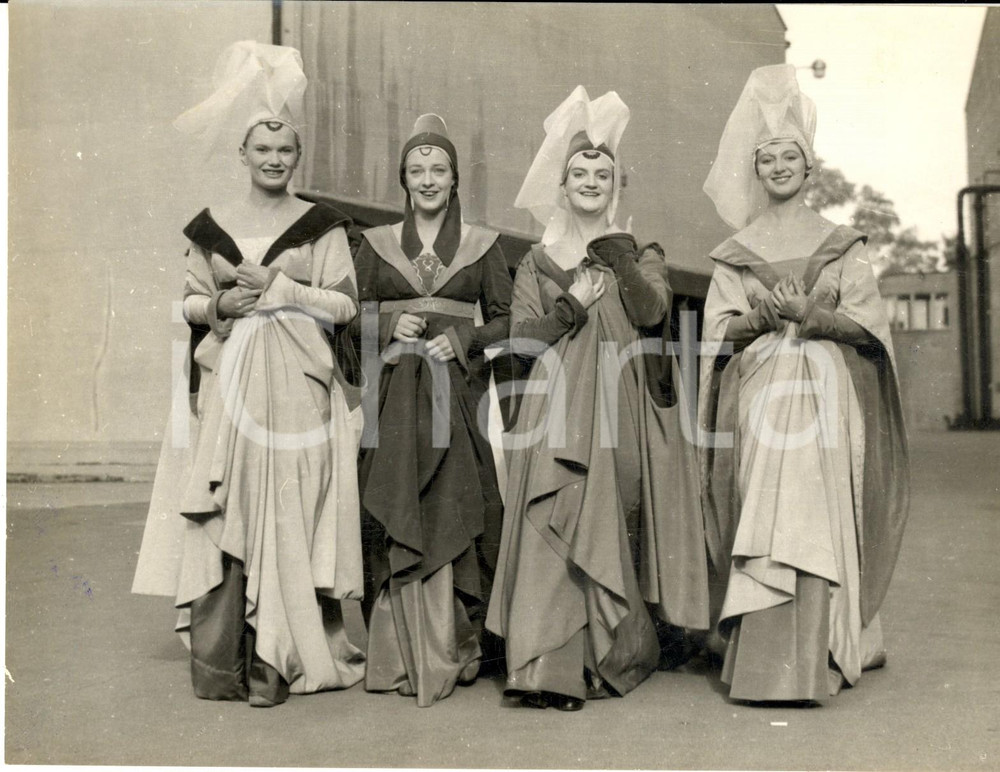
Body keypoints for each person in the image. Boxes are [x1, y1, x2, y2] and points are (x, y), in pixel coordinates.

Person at [132, 42, 365, 707]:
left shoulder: (320, 227)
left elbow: (346, 304)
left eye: (286, 150)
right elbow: (186, 301)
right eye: (263, 149)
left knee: (288, 504)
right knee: (231, 499)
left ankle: (280, 658)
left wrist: (283, 289)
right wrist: (219, 304)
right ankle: (229, 656)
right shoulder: (212, 228)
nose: (274, 159)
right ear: (242, 154)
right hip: (234, 384)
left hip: (297, 388)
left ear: (298, 157)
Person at [486, 86, 710, 712]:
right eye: (579, 173)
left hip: (618, 407)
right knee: (548, 519)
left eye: (602, 174)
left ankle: (600, 658)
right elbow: (522, 339)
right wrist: (571, 306)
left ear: (618, 185)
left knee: (605, 520)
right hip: (554, 406)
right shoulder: (534, 260)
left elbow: (652, 310)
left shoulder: (642, 253)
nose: (590, 181)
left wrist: (623, 264)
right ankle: (543, 670)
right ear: (561, 185)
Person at [699, 64, 910, 703]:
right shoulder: (737, 250)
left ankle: (825, 644)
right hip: (761, 395)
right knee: (766, 493)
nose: (780, 167)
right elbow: (717, 332)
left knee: (817, 501)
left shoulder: (842, 244)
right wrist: (763, 315)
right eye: (768, 158)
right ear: (755, 169)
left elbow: (870, 324)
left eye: (791, 156)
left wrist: (814, 317)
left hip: (826, 393)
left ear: (808, 166)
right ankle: (762, 655)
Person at [352, 114, 513, 707]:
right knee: (395, 500)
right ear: (403, 178)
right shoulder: (373, 245)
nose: (427, 179)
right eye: (416, 169)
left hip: (456, 394)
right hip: (394, 399)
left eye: (438, 169)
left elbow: (506, 317)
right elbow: (351, 319)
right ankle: (395, 653)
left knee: (454, 503)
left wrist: (465, 339)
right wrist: (392, 321)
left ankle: (455, 646)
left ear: (454, 179)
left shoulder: (486, 245)